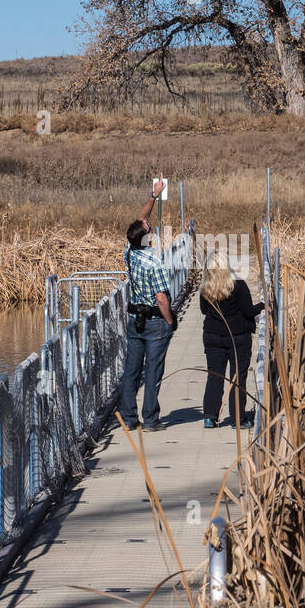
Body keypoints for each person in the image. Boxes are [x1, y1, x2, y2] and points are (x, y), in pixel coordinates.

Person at [118, 178, 177, 432]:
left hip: (135, 320)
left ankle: (129, 418)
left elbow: (139, 221)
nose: (148, 224)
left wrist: (154, 196)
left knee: (132, 370)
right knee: (153, 372)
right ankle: (151, 419)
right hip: (154, 321)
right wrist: (170, 321)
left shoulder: (129, 253)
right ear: (146, 237)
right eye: (147, 227)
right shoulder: (154, 261)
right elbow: (161, 298)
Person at [200, 257, 264, 429]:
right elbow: (248, 310)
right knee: (237, 378)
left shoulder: (206, 288)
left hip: (212, 335)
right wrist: (263, 305)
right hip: (237, 336)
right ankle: (238, 418)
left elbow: (204, 310)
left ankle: (210, 416)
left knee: (215, 375)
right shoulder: (238, 285)